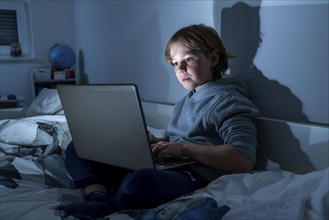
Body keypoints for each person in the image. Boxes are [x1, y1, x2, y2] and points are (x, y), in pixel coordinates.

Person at [59, 23, 259, 219]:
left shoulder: (228, 100)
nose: (180, 69)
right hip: (172, 164)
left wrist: (184, 149)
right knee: (78, 146)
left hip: (196, 174)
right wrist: (154, 141)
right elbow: (176, 137)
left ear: (213, 59)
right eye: (174, 63)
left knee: (140, 181)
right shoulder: (186, 101)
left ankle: (110, 202)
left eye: (188, 59)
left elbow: (243, 158)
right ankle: (98, 197)